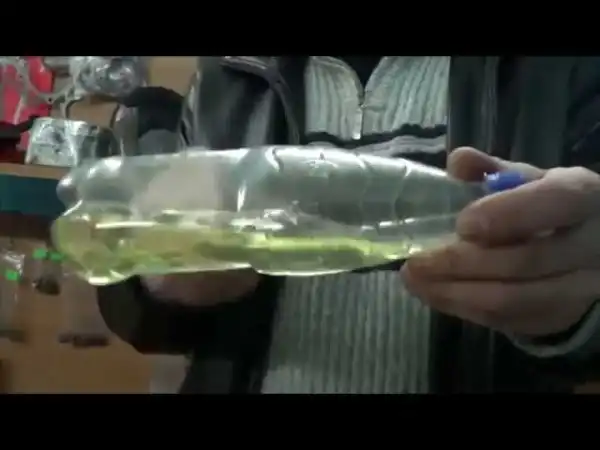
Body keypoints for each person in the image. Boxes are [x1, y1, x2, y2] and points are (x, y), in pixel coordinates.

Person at [96, 56, 600, 393]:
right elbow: (150, 319)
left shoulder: (561, 71)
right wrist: (154, 285)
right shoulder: (226, 76)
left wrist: (579, 311)